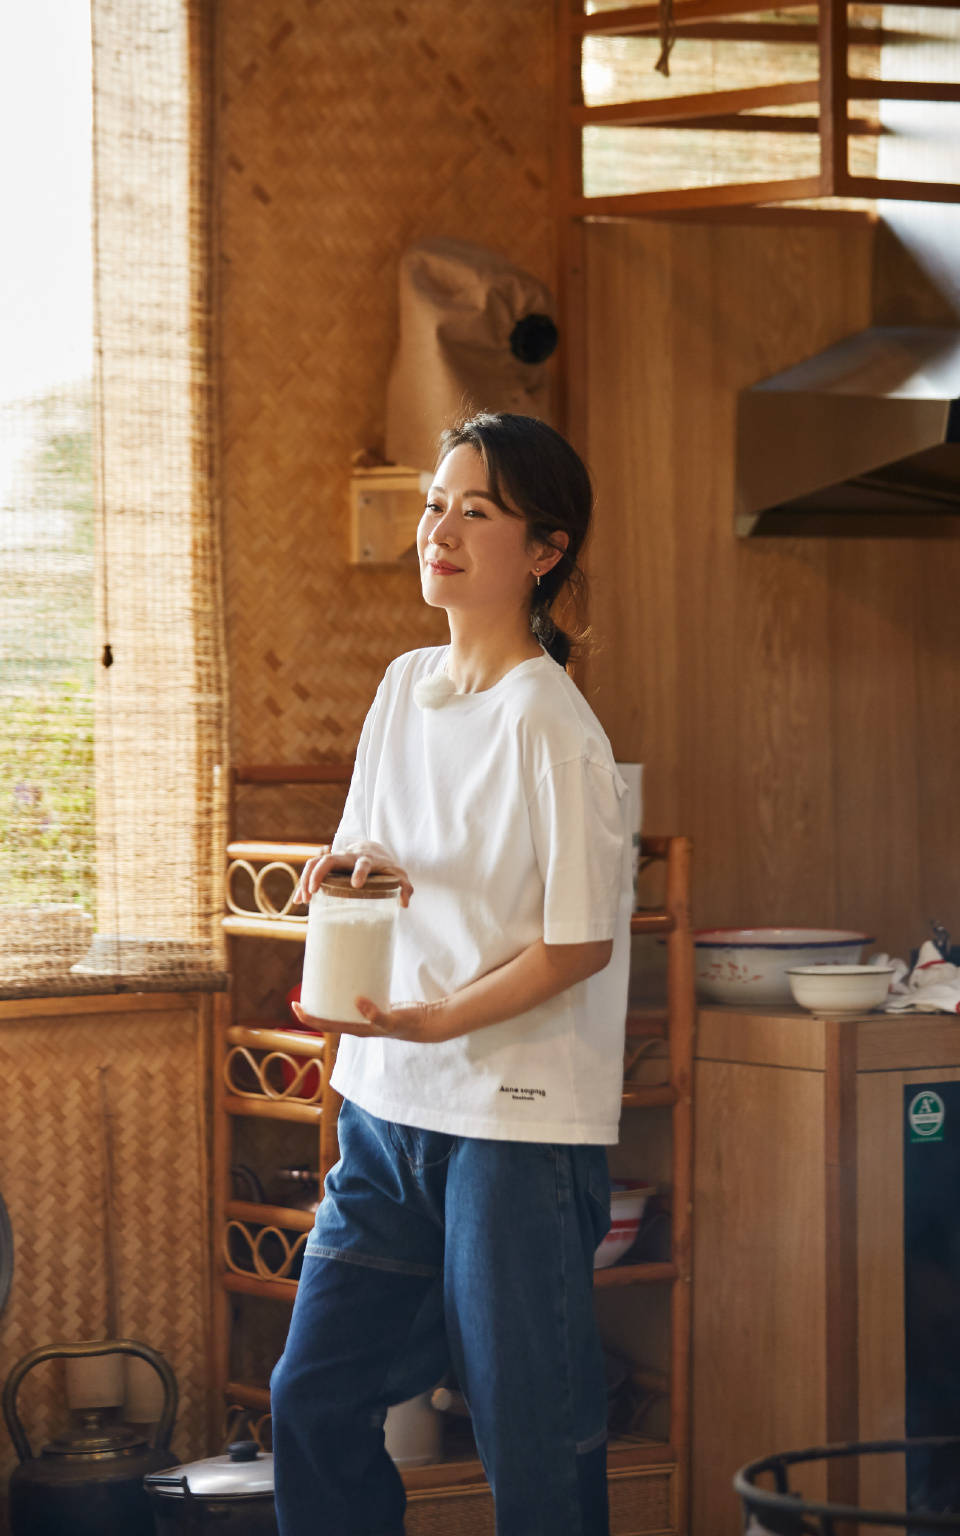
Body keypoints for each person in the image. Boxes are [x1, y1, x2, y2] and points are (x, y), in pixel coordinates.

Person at [271, 411, 634, 1536]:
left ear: (544, 551)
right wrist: (345, 874)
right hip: (387, 1106)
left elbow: (578, 942)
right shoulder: (403, 684)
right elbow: (380, 862)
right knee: (312, 1397)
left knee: (527, 1434)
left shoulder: (552, 725)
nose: (440, 527)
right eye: (436, 503)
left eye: (476, 511)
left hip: (511, 1128)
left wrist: (436, 1025)